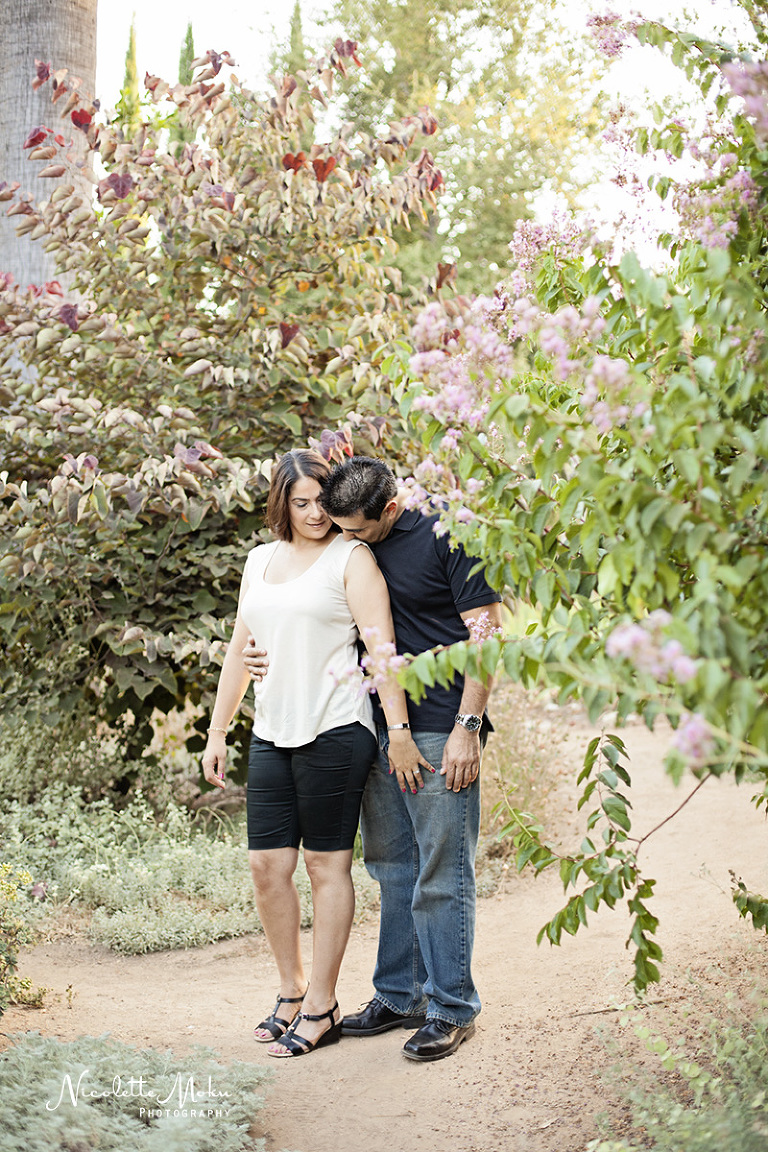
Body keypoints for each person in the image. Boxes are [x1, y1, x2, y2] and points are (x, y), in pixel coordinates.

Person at [245, 456, 503, 1062]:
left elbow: (487, 636)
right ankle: (400, 993)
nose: (343, 539)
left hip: (441, 725)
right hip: (378, 722)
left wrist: (468, 726)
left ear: (389, 510)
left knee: (442, 869)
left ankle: (451, 1007)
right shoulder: (347, 531)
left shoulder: (450, 533)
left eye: (356, 531)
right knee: (391, 866)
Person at [202, 449, 426, 1059]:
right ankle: (291, 988)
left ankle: (323, 1005)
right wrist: (218, 730)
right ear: (282, 504)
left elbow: (382, 649)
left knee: (326, 868)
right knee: (267, 868)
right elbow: (239, 646)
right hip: (272, 730)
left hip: (335, 729)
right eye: (300, 503)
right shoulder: (259, 561)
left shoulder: (351, 558)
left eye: (321, 501)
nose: (314, 513)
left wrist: (398, 730)